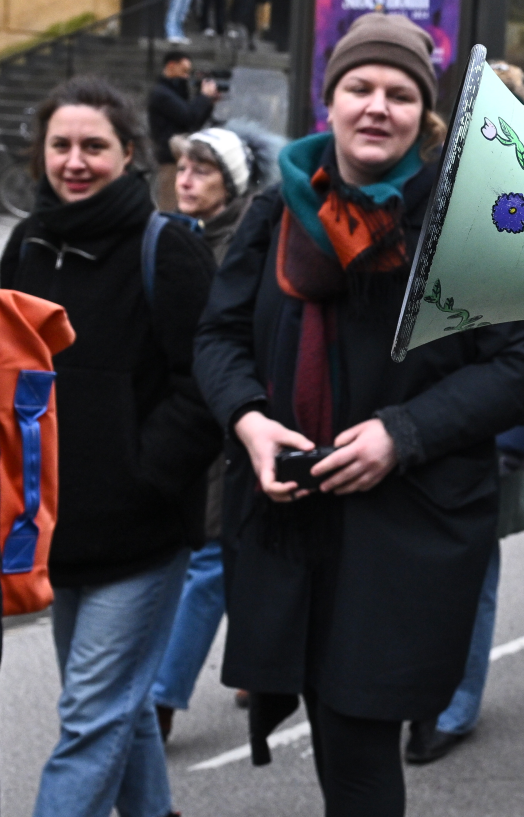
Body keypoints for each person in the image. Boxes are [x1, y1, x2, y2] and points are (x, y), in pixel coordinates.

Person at [191, 16, 524, 817]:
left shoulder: (471, 215)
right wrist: (246, 418)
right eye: (361, 87)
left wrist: (407, 432)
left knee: (359, 736)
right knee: (324, 718)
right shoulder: (279, 206)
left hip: (404, 522)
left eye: (400, 93)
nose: (377, 107)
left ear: (423, 113)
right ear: (331, 95)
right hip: (290, 516)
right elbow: (218, 334)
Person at [0, 76, 219, 817]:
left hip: (141, 530)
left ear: (129, 154)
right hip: (54, 530)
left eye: (94, 146)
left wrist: (143, 473)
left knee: (90, 710)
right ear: (42, 153)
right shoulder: (27, 248)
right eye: (61, 145)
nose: (75, 161)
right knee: (106, 699)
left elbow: (206, 385)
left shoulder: (169, 247)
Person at [152, 122, 283, 739]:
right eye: (181, 168)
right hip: (189, 423)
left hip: (234, 424)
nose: (185, 180)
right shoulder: (178, 237)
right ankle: (260, 664)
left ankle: (161, 697)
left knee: (211, 559)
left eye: (201, 171)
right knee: (225, 553)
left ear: (230, 184)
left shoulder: (242, 244)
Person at [147, 51, 218, 211]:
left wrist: (208, 101)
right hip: (169, 157)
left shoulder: (176, 90)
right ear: (171, 65)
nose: (186, 76)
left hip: (180, 156)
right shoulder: (161, 93)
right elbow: (188, 116)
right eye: (184, 71)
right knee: (170, 205)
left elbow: (194, 123)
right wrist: (204, 98)